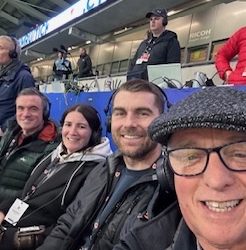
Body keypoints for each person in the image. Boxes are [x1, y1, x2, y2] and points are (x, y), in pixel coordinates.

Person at [37, 79, 175, 250]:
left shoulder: (173, 186)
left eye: (142, 113)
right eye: (120, 113)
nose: (129, 123)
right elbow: (67, 225)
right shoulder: (102, 169)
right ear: (110, 121)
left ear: (163, 122)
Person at [114, 86, 246, 250]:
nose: (216, 180)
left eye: (241, 155)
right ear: (168, 173)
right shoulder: (137, 244)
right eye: (190, 156)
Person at [0, 104, 112, 250]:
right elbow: (27, 194)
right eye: (68, 124)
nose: (72, 132)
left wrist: (14, 238)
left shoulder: (96, 170)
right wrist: (3, 210)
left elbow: (70, 225)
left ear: (94, 133)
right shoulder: (55, 155)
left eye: (81, 127)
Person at [0, 87, 59, 201]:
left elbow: (32, 194)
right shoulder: (11, 134)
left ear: (44, 113)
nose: (25, 114)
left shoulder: (51, 147)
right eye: (20, 108)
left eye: (33, 109)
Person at [127, 8, 181, 80]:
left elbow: (172, 68)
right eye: (151, 19)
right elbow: (132, 64)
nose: (153, 21)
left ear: (164, 22)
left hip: (154, 86)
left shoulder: (171, 42)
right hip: (136, 85)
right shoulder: (144, 44)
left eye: (156, 19)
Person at [0, 35, 35, 135]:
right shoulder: (3, 75)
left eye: (0, 48)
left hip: (7, 135)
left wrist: (4, 129)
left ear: (13, 54)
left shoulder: (24, 77)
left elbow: (28, 110)